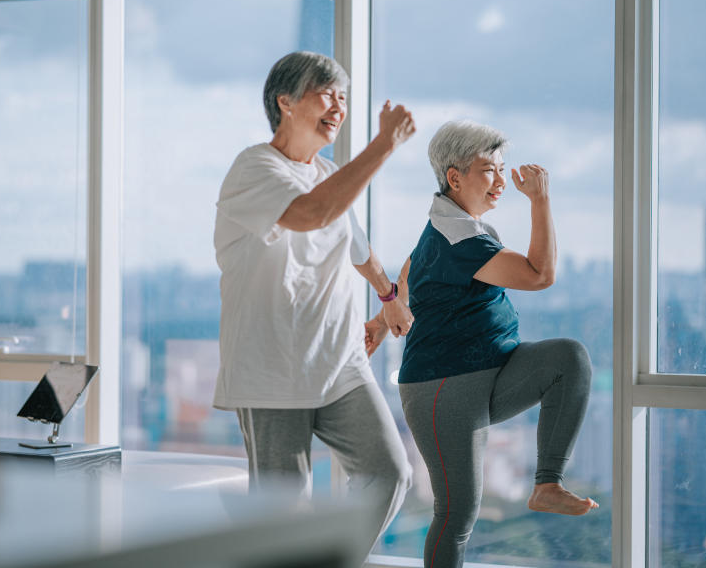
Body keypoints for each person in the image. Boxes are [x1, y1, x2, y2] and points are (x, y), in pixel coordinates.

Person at [365, 120, 598, 568]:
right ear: (455, 178)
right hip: (443, 389)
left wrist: (382, 317)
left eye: (502, 169)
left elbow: (415, 264)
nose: (500, 181)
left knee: (568, 359)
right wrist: (541, 200)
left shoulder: (451, 224)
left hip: (489, 371)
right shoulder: (460, 238)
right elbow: (539, 274)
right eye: (489, 170)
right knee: (456, 514)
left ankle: (547, 484)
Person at [213, 51, 416, 558]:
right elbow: (310, 214)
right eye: (327, 93)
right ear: (286, 102)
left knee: (390, 474)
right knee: (282, 518)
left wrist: (388, 298)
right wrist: (385, 143)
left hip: (339, 363)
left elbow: (359, 248)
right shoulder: (253, 167)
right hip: (270, 370)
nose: (339, 106)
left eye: (344, 97)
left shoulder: (328, 173)